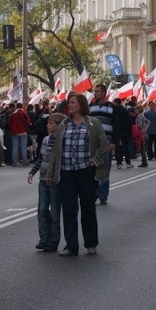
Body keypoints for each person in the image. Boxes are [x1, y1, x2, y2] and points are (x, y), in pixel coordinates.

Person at [44, 93, 108, 256]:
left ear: (81, 105)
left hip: (86, 171)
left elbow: (103, 145)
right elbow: (56, 152)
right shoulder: (64, 124)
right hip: (67, 173)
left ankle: (91, 243)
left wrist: (94, 161)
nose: (69, 105)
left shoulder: (93, 123)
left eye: (72, 102)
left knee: (87, 208)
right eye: (69, 103)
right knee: (69, 209)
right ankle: (71, 246)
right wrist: (50, 173)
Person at [27, 112, 63, 253]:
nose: (48, 125)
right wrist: (32, 172)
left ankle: (53, 241)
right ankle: (43, 239)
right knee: (42, 210)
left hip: (54, 180)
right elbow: (41, 159)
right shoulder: (46, 140)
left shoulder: (62, 140)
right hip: (43, 179)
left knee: (54, 212)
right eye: (48, 123)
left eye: (51, 123)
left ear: (59, 125)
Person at [91, 84, 124, 204]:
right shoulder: (91, 107)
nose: (95, 93)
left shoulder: (111, 107)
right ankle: (94, 193)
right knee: (93, 169)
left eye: (98, 91)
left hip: (107, 142)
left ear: (104, 93)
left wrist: (114, 142)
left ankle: (103, 195)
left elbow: (116, 126)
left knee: (104, 170)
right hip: (93, 143)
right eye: (95, 91)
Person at [7, 102, 31, 167]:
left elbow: (9, 124)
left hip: (15, 132)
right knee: (23, 147)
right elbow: (28, 122)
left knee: (15, 147)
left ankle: (14, 162)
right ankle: (24, 162)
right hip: (23, 132)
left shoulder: (13, 114)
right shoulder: (23, 113)